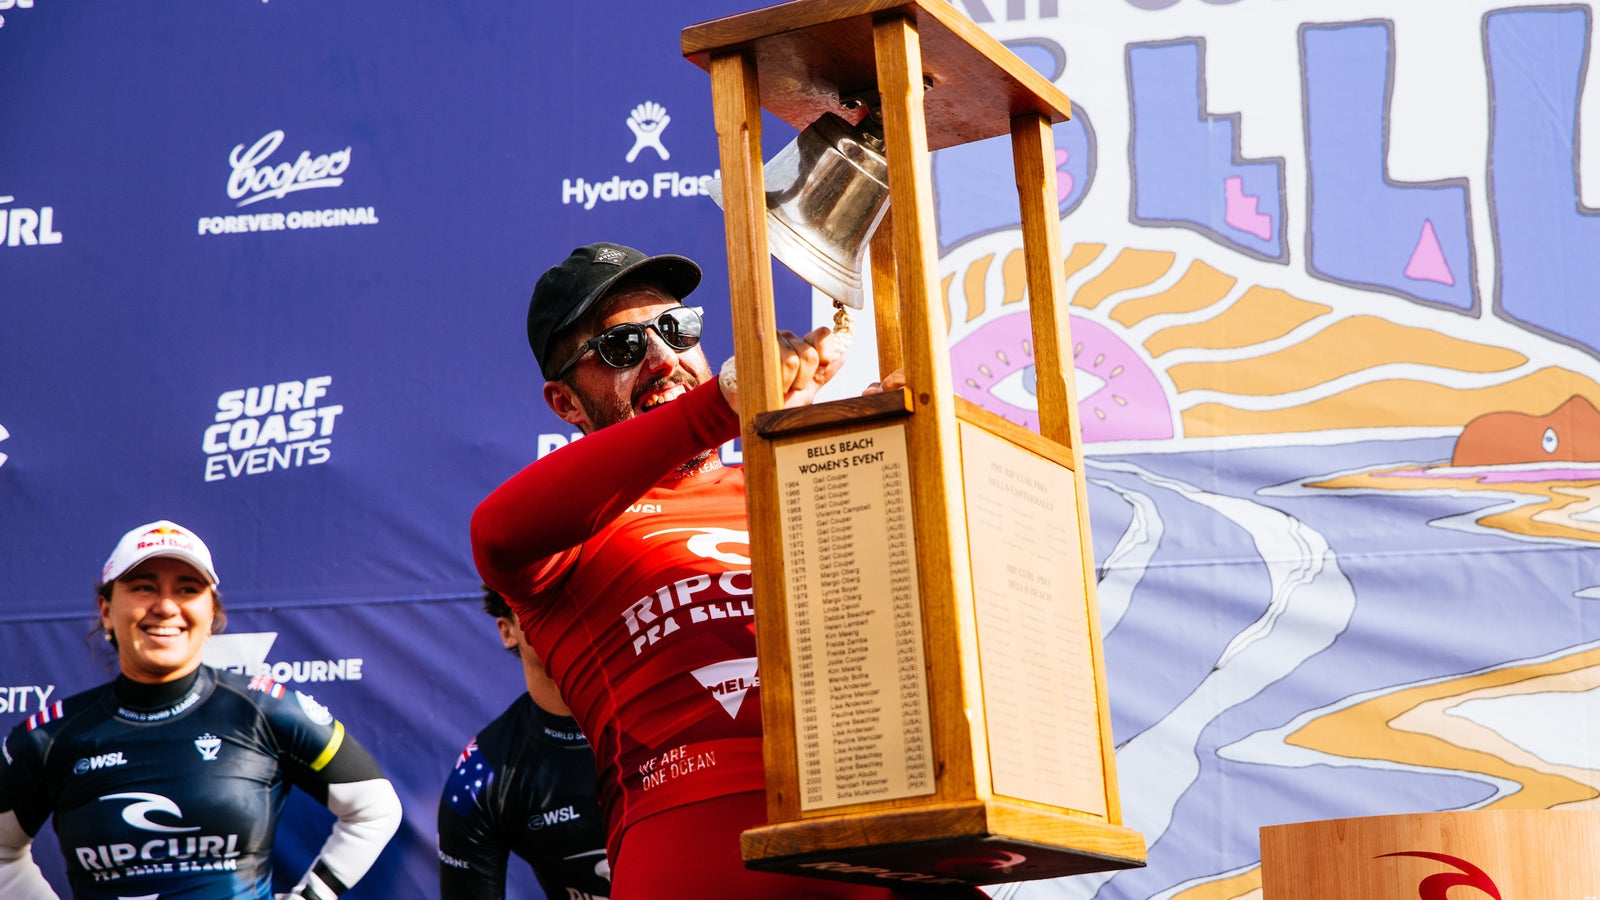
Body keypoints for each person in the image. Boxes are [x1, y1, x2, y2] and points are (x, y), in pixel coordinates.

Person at [470, 242, 976, 899]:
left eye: (677, 330)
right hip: (696, 841)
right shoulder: (569, 534)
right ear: (565, 403)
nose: (663, 358)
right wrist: (720, 406)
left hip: (878, 828)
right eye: (621, 348)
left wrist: (902, 469)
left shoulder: (798, 482)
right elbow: (497, 531)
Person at [0, 520, 403, 900]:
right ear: (106, 609)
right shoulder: (50, 737)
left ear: (211, 614)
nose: (166, 606)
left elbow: (375, 809)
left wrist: (314, 895)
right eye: (143, 587)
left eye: (188, 589)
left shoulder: (263, 712)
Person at [437, 587, 609, 899]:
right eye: (542, 605)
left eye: (579, 599)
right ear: (508, 631)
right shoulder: (479, 772)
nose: (566, 617)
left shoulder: (677, 716)